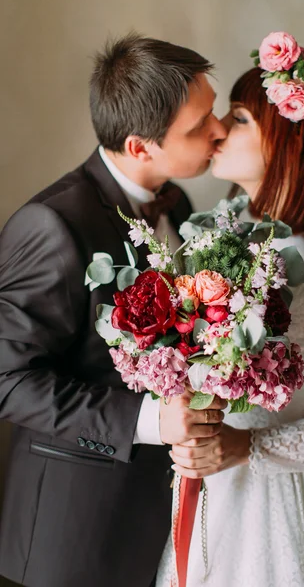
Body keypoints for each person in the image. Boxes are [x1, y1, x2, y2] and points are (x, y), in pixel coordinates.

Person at [158, 32, 304, 586]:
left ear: (287, 144)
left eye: (237, 118)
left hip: (277, 504)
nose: (217, 132)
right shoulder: (218, 241)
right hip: (207, 490)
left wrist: (248, 446)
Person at [0, 33, 227, 587]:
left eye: (214, 112)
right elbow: (8, 380)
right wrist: (150, 421)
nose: (218, 130)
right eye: (200, 125)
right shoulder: (52, 225)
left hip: (161, 515)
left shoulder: (184, 204)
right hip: (76, 529)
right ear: (140, 146)